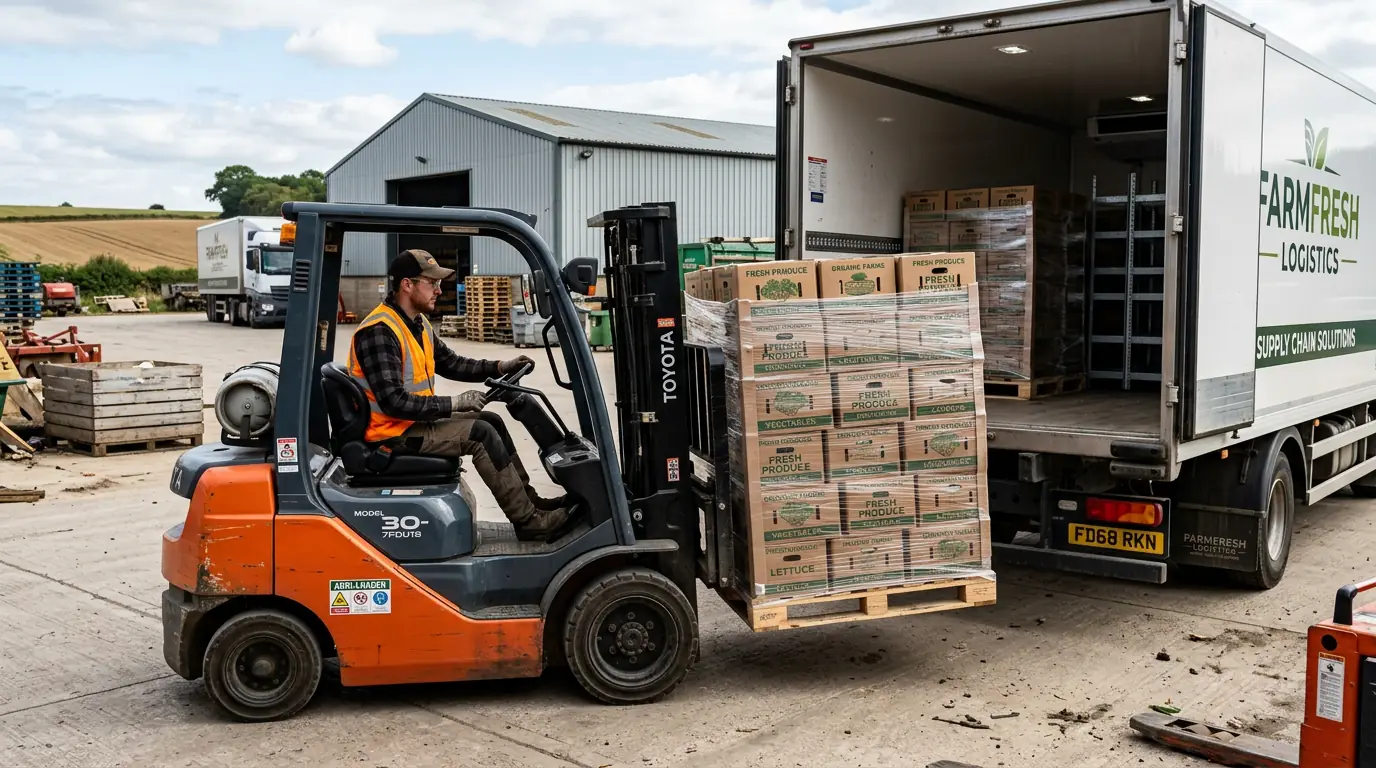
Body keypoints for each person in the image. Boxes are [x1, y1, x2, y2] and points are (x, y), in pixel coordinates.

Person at [347, 249, 572, 540]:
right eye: (432, 283)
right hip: (392, 435)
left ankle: (531, 503)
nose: (440, 290)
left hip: (411, 424)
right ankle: (528, 522)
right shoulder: (380, 332)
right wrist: (453, 404)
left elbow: (451, 363)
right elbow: (394, 401)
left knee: (492, 420)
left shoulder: (416, 323)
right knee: (480, 433)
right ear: (407, 285)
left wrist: (500, 366)